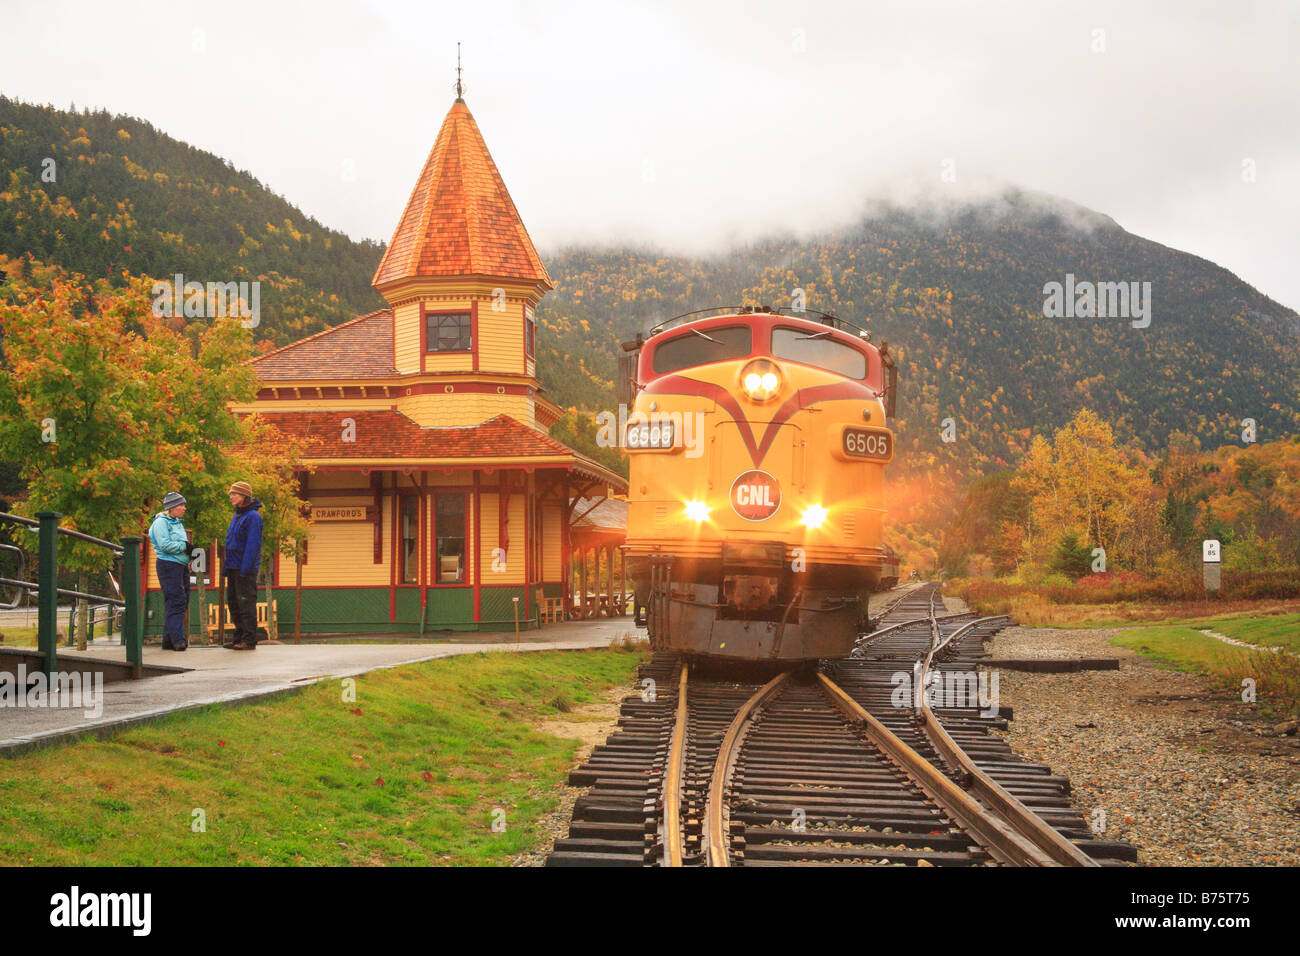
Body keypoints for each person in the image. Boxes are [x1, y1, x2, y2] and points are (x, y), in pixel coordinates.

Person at [148, 491, 191, 651]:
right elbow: (165, 544)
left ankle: (168, 640)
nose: (184, 508)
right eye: (181, 505)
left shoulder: (177, 522)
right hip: (168, 565)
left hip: (180, 565)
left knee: (181, 600)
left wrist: (188, 552)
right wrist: (184, 547)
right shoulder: (161, 523)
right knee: (176, 601)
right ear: (171, 507)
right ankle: (178, 640)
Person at [223, 481, 263, 650]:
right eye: (231, 494)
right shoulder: (237, 515)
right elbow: (230, 542)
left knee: (246, 603)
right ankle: (238, 637)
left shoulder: (253, 517)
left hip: (244, 569)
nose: (231, 497)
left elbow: (252, 545)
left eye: (234, 494)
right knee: (233, 602)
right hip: (232, 566)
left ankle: (249, 639)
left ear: (244, 496)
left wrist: (245, 570)